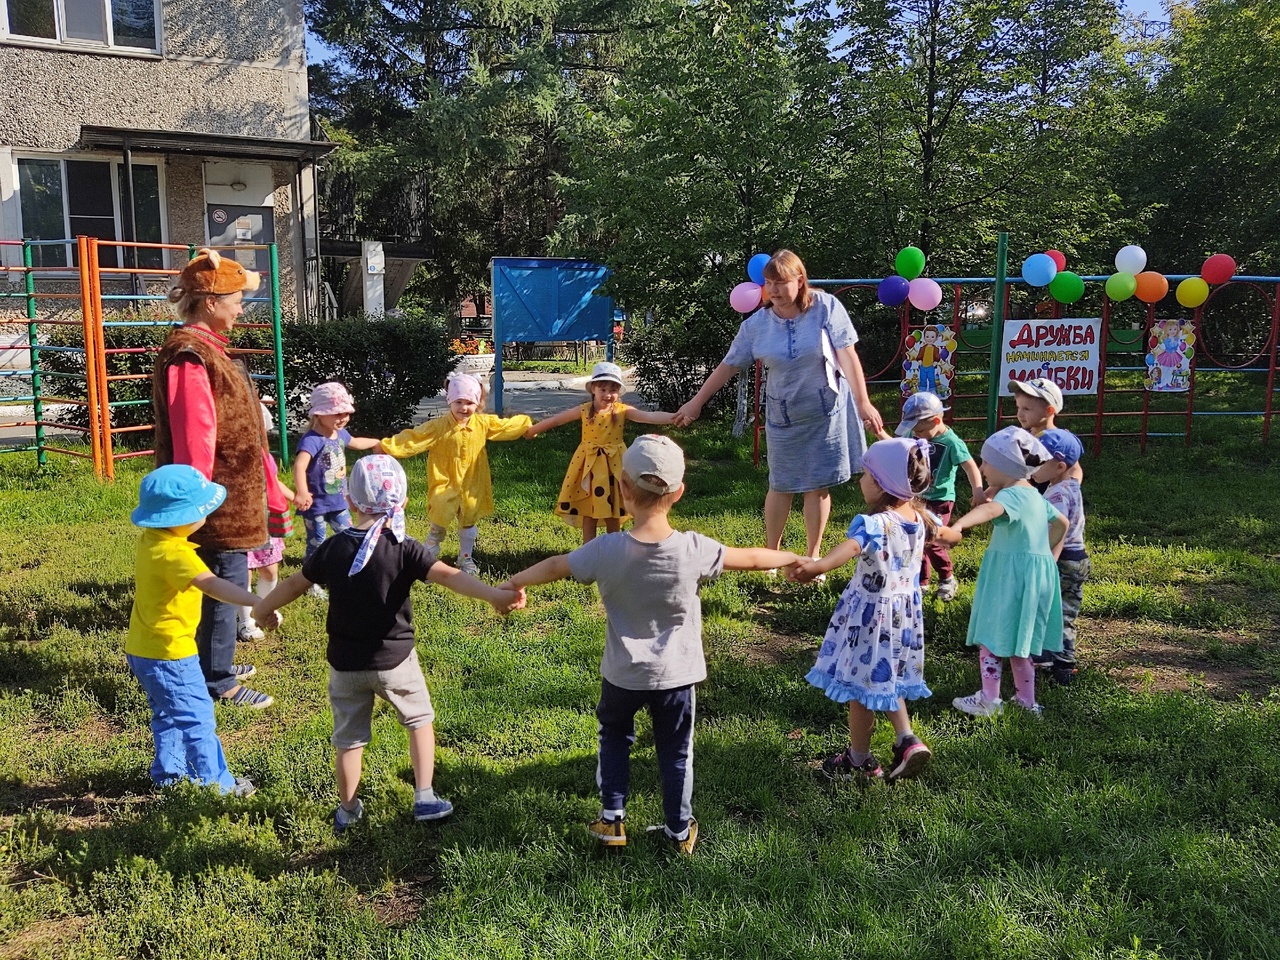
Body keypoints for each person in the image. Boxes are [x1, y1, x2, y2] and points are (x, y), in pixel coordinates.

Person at [502, 435, 806, 854]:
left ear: (623, 488)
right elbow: (752, 557)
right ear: (679, 492)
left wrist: (514, 582)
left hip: (622, 674)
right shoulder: (695, 549)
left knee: (614, 738)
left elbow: (556, 565)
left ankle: (611, 821)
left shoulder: (604, 549)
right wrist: (793, 557)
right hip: (677, 678)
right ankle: (679, 832)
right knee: (676, 752)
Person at [252, 455, 525, 833]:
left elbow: (293, 584)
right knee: (419, 720)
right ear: (404, 502)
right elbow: (449, 577)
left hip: (346, 663)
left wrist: (262, 610)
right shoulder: (405, 548)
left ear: (349, 501)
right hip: (396, 661)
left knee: (348, 739)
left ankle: (347, 809)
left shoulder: (333, 549)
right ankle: (425, 795)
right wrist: (493, 595)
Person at [674, 249, 883, 564]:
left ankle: (812, 558)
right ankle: (772, 555)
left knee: (817, 485)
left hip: (827, 412)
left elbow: (847, 355)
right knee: (781, 484)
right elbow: (729, 365)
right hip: (783, 415)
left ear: (800, 281)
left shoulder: (826, 307)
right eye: (769, 283)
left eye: (781, 282)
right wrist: (696, 402)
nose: (773, 290)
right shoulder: (757, 325)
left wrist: (863, 402)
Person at [153, 247, 273, 708]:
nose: (241, 307)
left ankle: (210, 660)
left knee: (223, 582)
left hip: (228, 494)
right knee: (225, 585)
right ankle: (218, 680)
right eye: (236, 298)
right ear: (210, 302)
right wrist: (198, 500)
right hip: (215, 499)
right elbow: (194, 434)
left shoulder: (207, 350)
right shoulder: (189, 354)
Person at [126, 465, 282, 795]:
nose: (208, 517)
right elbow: (213, 586)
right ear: (179, 517)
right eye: (202, 511)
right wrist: (257, 603)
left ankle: (169, 775)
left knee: (168, 714)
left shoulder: (151, 541)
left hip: (145, 650)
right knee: (198, 718)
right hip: (172, 656)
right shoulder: (175, 554)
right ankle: (217, 785)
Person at [791, 438, 938, 781]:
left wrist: (818, 566)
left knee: (860, 689)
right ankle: (907, 739)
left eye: (867, 475)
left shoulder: (876, 524)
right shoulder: (919, 519)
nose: (861, 481)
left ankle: (859, 761)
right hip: (903, 620)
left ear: (883, 483)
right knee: (887, 679)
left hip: (872, 619)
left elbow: (850, 548)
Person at [944, 427, 1069, 717]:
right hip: (1035, 577)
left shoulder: (1012, 496)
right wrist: (1048, 554)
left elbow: (989, 512)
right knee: (1020, 642)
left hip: (1009, 578)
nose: (983, 467)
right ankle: (1027, 704)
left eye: (986, 462)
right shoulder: (1035, 497)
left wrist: (959, 526)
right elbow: (1062, 523)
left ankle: (990, 700)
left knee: (992, 634)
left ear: (1004, 466)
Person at [379, 372, 532, 575]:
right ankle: (428, 554)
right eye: (459, 402)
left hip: (472, 483)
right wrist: (388, 446)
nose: (464, 408)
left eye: (469, 402)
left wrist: (526, 424)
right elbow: (415, 437)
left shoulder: (482, 424)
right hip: (445, 481)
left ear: (477, 403)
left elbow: (504, 426)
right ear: (449, 401)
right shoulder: (438, 427)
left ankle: (465, 557)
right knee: (439, 518)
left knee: (469, 519)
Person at [525, 361, 680, 543]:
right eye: (603, 389)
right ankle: (588, 552)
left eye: (613, 390)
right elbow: (557, 420)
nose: (608, 395)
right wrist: (533, 430)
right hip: (588, 466)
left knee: (613, 511)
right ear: (593, 390)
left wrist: (675, 418)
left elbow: (648, 416)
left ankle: (612, 549)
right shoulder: (584, 411)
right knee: (589, 510)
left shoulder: (622, 411)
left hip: (614, 466)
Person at [879, 392, 985, 601]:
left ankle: (947, 577)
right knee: (917, 538)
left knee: (932, 538)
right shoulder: (915, 436)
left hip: (941, 499)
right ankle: (922, 581)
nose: (916, 435)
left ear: (936, 420)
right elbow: (896, 448)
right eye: (914, 431)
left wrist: (978, 490)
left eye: (920, 430)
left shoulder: (951, 441)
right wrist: (880, 433)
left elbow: (970, 465)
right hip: (916, 498)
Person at [292, 382, 381, 596]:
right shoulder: (312, 440)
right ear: (319, 415)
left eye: (345, 413)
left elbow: (356, 442)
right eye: (336, 414)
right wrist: (302, 492)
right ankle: (310, 581)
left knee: (349, 534)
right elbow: (299, 465)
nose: (342, 418)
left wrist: (378, 442)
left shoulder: (339, 434)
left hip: (339, 501)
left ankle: (352, 569)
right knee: (317, 542)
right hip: (316, 505)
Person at [1032, 429, 1089, 686]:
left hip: (1061, 557)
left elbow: (1058, 527)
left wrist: (1046, 556)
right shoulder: (1070, 484)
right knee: (1066, 610)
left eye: (1038, 461)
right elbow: (1076, 470)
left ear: (1059, 466)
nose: (1032, 466)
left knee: (1050, 610)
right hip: (1079, 558)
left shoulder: (1056, 495)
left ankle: (1055, 662)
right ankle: (1058, 660)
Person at [239, 404, 295, 641]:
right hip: (242, 524)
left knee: (270, 571)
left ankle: (264, 607)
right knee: (243, 574)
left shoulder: (266, 457)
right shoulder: (229, 458)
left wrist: (295, 497)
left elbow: (273, 482)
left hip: (266, 523)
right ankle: (245, 622)